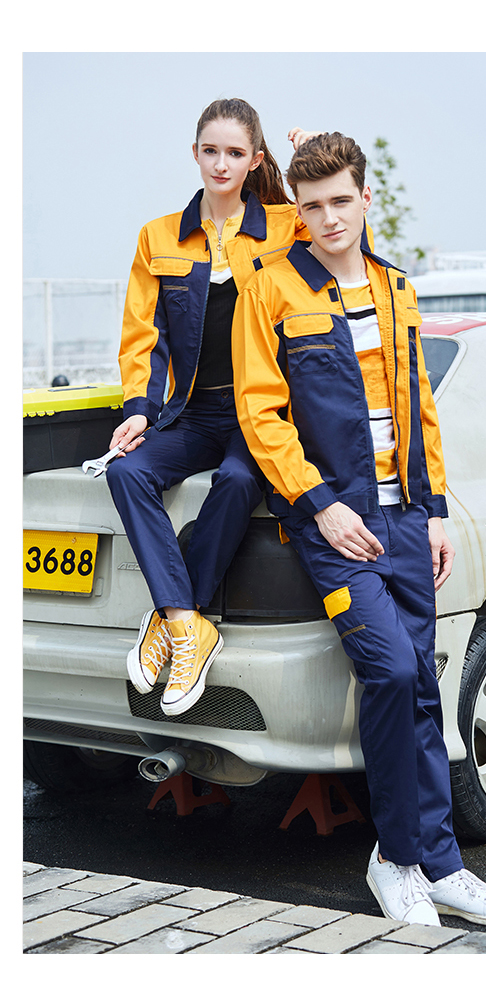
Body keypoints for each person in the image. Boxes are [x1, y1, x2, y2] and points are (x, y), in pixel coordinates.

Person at [231, 132, 486, 928]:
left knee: (423, 686)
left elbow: (419, 407)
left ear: (367, 199)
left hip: (407, 521)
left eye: (341, 201)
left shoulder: (397, 289)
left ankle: (442, 865)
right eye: (312, 205)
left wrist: (435, 512)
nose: (329, 218)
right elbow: (262, 416)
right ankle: (395, 859)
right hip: (336, 529)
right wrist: (322, 506)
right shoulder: (269, 289)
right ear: (298, 210)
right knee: (392, 673)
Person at [106, 98, 330, 717]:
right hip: (192, 413)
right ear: (195, 153)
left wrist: (314, 156)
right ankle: (186, 620)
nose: (221, 163)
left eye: (235, 153)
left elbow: (347, 240)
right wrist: (139, 408)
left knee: (237, 480)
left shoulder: (286, 225)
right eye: (211, 151)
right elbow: (142, 333)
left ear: (255, 159)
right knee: (127, 471)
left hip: (261, 413)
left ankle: (173, 620)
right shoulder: (157, 237)